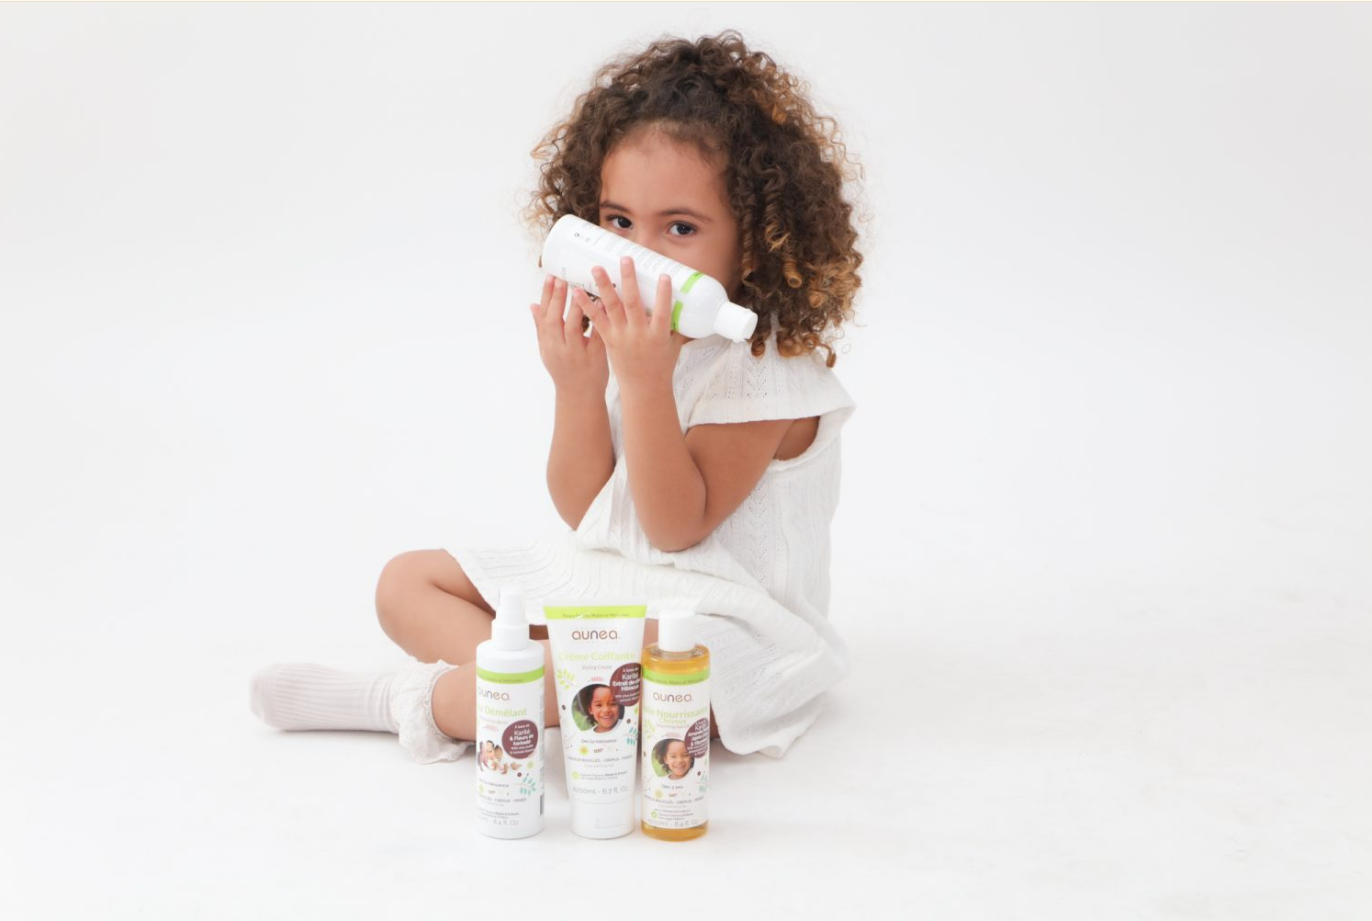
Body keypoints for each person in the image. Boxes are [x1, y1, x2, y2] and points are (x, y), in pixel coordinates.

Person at [249, 29, 865, 763]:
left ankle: (405, 700)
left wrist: (641, 382)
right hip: (623, 581)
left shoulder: (770, 372)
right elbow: (587, 512)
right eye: (618, 222)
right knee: (405, 581)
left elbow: (673, 528)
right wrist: (578, 387)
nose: (640, 254)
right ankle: (516, 677)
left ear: (758, 240)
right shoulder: (636, 338)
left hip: (734, 623)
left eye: (680, 227)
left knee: (613, 670)